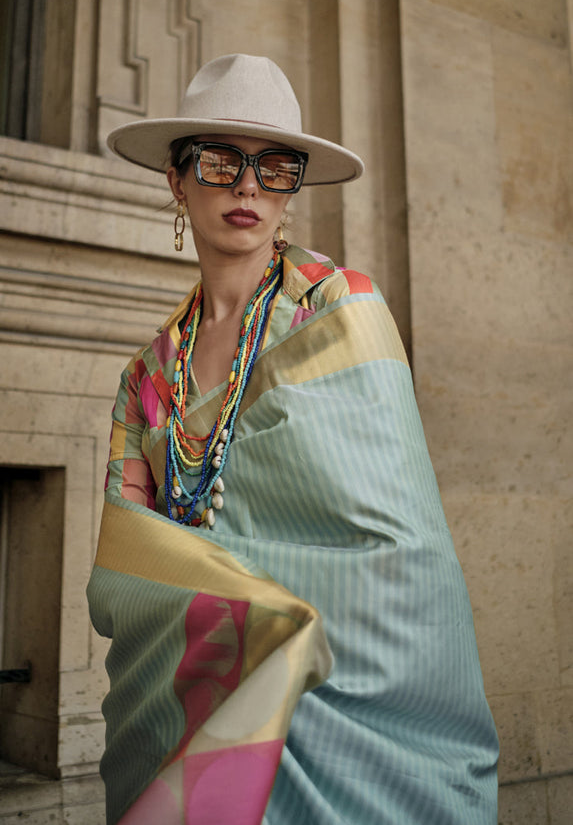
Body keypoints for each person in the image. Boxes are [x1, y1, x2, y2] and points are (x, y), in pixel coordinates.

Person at [87, 54, 498, 825]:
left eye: (276, 166)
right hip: (190, 708)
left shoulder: (340, 309)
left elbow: (396, 548)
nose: (248, 185)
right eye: (221, 160)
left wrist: (263, 616)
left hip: (338, 711)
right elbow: (125, 567)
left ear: (292, 188)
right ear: (177, 180)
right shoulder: (147, 376)